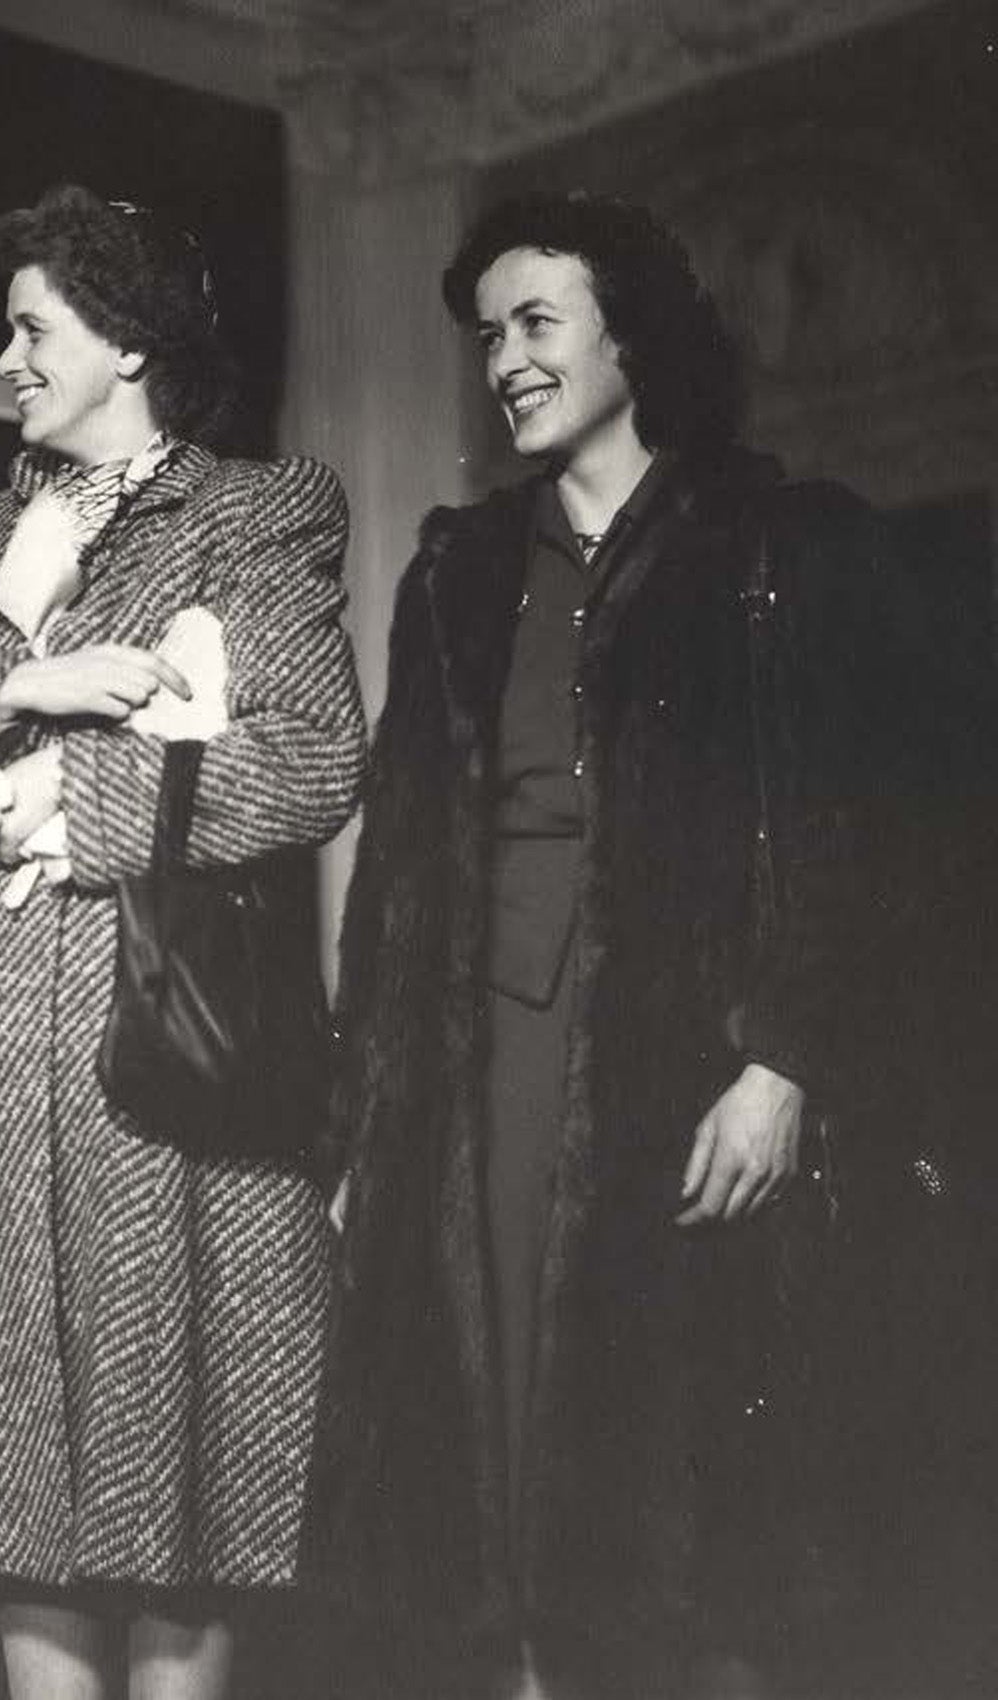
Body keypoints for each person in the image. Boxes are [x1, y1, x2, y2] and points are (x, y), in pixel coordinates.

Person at [310, 190, 924, 1699]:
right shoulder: (456, 569)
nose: (503, 361)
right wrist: (367, 1117)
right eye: (485, 336)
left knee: (692, 1508)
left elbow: (848, 832)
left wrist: (782, 1059)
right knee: (487, 1455)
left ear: (627, 339)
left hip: (689, 1066)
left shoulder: (766, 547)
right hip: (482, 1072)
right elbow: (395, 864)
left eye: (536, 323)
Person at [0, 184, 367, 1700]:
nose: (7, 358)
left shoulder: (261, 509)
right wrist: (19, 644)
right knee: (17, 1484)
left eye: (31, 327)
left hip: (168, 1030)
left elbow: (312, 758)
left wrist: (70, 789)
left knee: (180, 1475)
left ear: (125, 344)